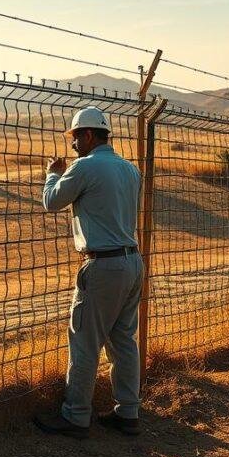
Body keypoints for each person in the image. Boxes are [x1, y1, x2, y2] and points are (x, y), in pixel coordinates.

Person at [33, 107, 144, 438]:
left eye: (76, 137)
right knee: (123, 340)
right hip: (132, 262)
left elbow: (52, 201)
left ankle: (76, 416)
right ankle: (128, 413)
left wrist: (53, 174)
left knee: (84, 341)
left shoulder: (84, 166)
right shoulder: (130, 170)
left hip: (103, 266)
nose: (73, 145)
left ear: (89, 135)